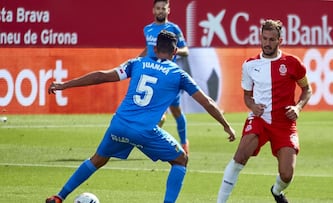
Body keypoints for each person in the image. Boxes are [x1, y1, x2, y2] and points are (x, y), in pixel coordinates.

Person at [45, 30, 236, 203]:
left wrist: (65, 85)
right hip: (145, 131)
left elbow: (102, 76)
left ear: (154, 48)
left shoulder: (136, 63)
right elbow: (207, 102)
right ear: (175, 52)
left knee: (97, 160)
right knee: (181, 160)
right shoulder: (179, 74)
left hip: (118, 124)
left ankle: (59, 196)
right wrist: (226, 125)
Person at [217, 19, 312, 203]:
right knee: (239, 157)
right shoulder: (250, 65)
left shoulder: (293, 63)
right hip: (259, 119)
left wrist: (298, 107)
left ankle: (277, 191)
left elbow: (307, 89)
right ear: (260, 38)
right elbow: (247, 96)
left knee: (286, 174)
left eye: (272, 39)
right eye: (264, 38)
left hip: (284, 123)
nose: (267, 43)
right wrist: (253, 106)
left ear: (280, 41)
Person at [139, 0, 191, 154]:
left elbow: (186, 50)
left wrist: (175, 50)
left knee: (175, 111)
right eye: (158, 8)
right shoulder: (147, 29)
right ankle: (150, 137)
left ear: (169, 11)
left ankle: (184, 143)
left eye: (164, 8)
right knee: (154, 111)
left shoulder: (173, 29)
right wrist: (136, 61)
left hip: (168, 76)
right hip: (150, 75)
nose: (160, 11)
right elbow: (148, 50)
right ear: (153, 10)